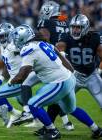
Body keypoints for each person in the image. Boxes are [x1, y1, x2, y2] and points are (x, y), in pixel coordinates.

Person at [9, 25, 102, 139]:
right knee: (70, 109)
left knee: (33, 103)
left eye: (16, 38)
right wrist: (72, 72)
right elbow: (62, 58)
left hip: (60, 82)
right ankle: (96, 129)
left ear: (23, 38)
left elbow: (22, 76)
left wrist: (11, 81)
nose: (15, 41)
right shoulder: (44, 43)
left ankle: (53, 131)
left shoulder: (29, 48)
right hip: (69, 78)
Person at [16, 0, 74, 130]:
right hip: (65, 60)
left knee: (27, 83)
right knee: (59, 94)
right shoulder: (66, 21)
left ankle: (27, 112)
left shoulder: (45, 22)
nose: (42, 13)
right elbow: (63, 18)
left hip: (51, 59)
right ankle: (66, 122)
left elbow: (44, 39)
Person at [0, 23, 39, 128]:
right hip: (14, 79)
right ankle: (38, 119)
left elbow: (28, 47)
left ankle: (15, 113)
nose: (1, 38)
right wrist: (1, 78)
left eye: (3, 36)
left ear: (10, 34)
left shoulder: (14, 45)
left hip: (19, 80)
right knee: (25, 101)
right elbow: (8, 63)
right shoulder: (5, 47)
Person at [57, 14, 102, 110]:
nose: (75, 30)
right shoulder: (66, 37)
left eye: (78, 27)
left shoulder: (95, 37)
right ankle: (49, 124)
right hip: (74, 75)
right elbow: (57, 54)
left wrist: (100, 69)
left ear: (85, 28)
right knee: (58, 101)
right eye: (73, 27)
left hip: (91, 75)